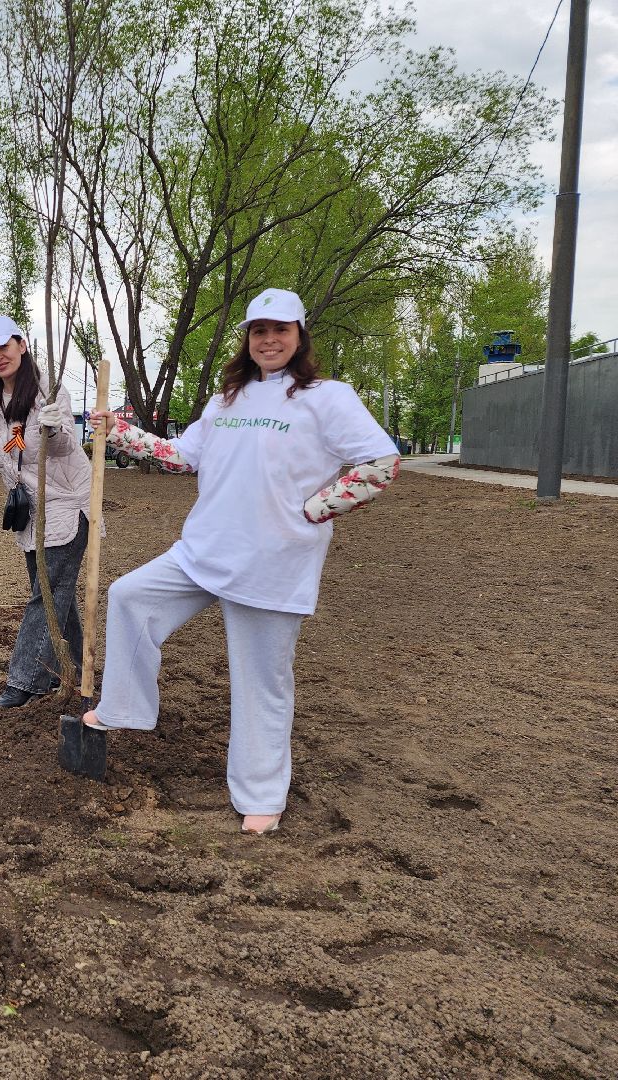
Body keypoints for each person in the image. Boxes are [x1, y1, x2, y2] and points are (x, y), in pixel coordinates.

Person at [85, 288, 401, 836]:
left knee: (260, 682)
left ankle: (261, 796)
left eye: (280, 330)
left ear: (299, 336)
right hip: (203, 549)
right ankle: (124, 709)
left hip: (272, 563)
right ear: (248, 338)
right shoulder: (227, 399)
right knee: (130, 597)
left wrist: (315, 509)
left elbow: (381, 462)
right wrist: (120, 431)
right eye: (259, 330)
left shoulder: (327, 398)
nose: (269, 340)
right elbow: (182, 456)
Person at [0, 317, 93, 708]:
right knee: (56, 595)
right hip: (30, 512)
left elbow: (64, 446)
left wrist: (53, 428)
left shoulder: (49, 391)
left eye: (4, 347)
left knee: (47, 594)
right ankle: (77, 671)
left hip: (65, 504)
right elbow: (1, 459)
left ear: (22, 345)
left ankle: (25, 679)